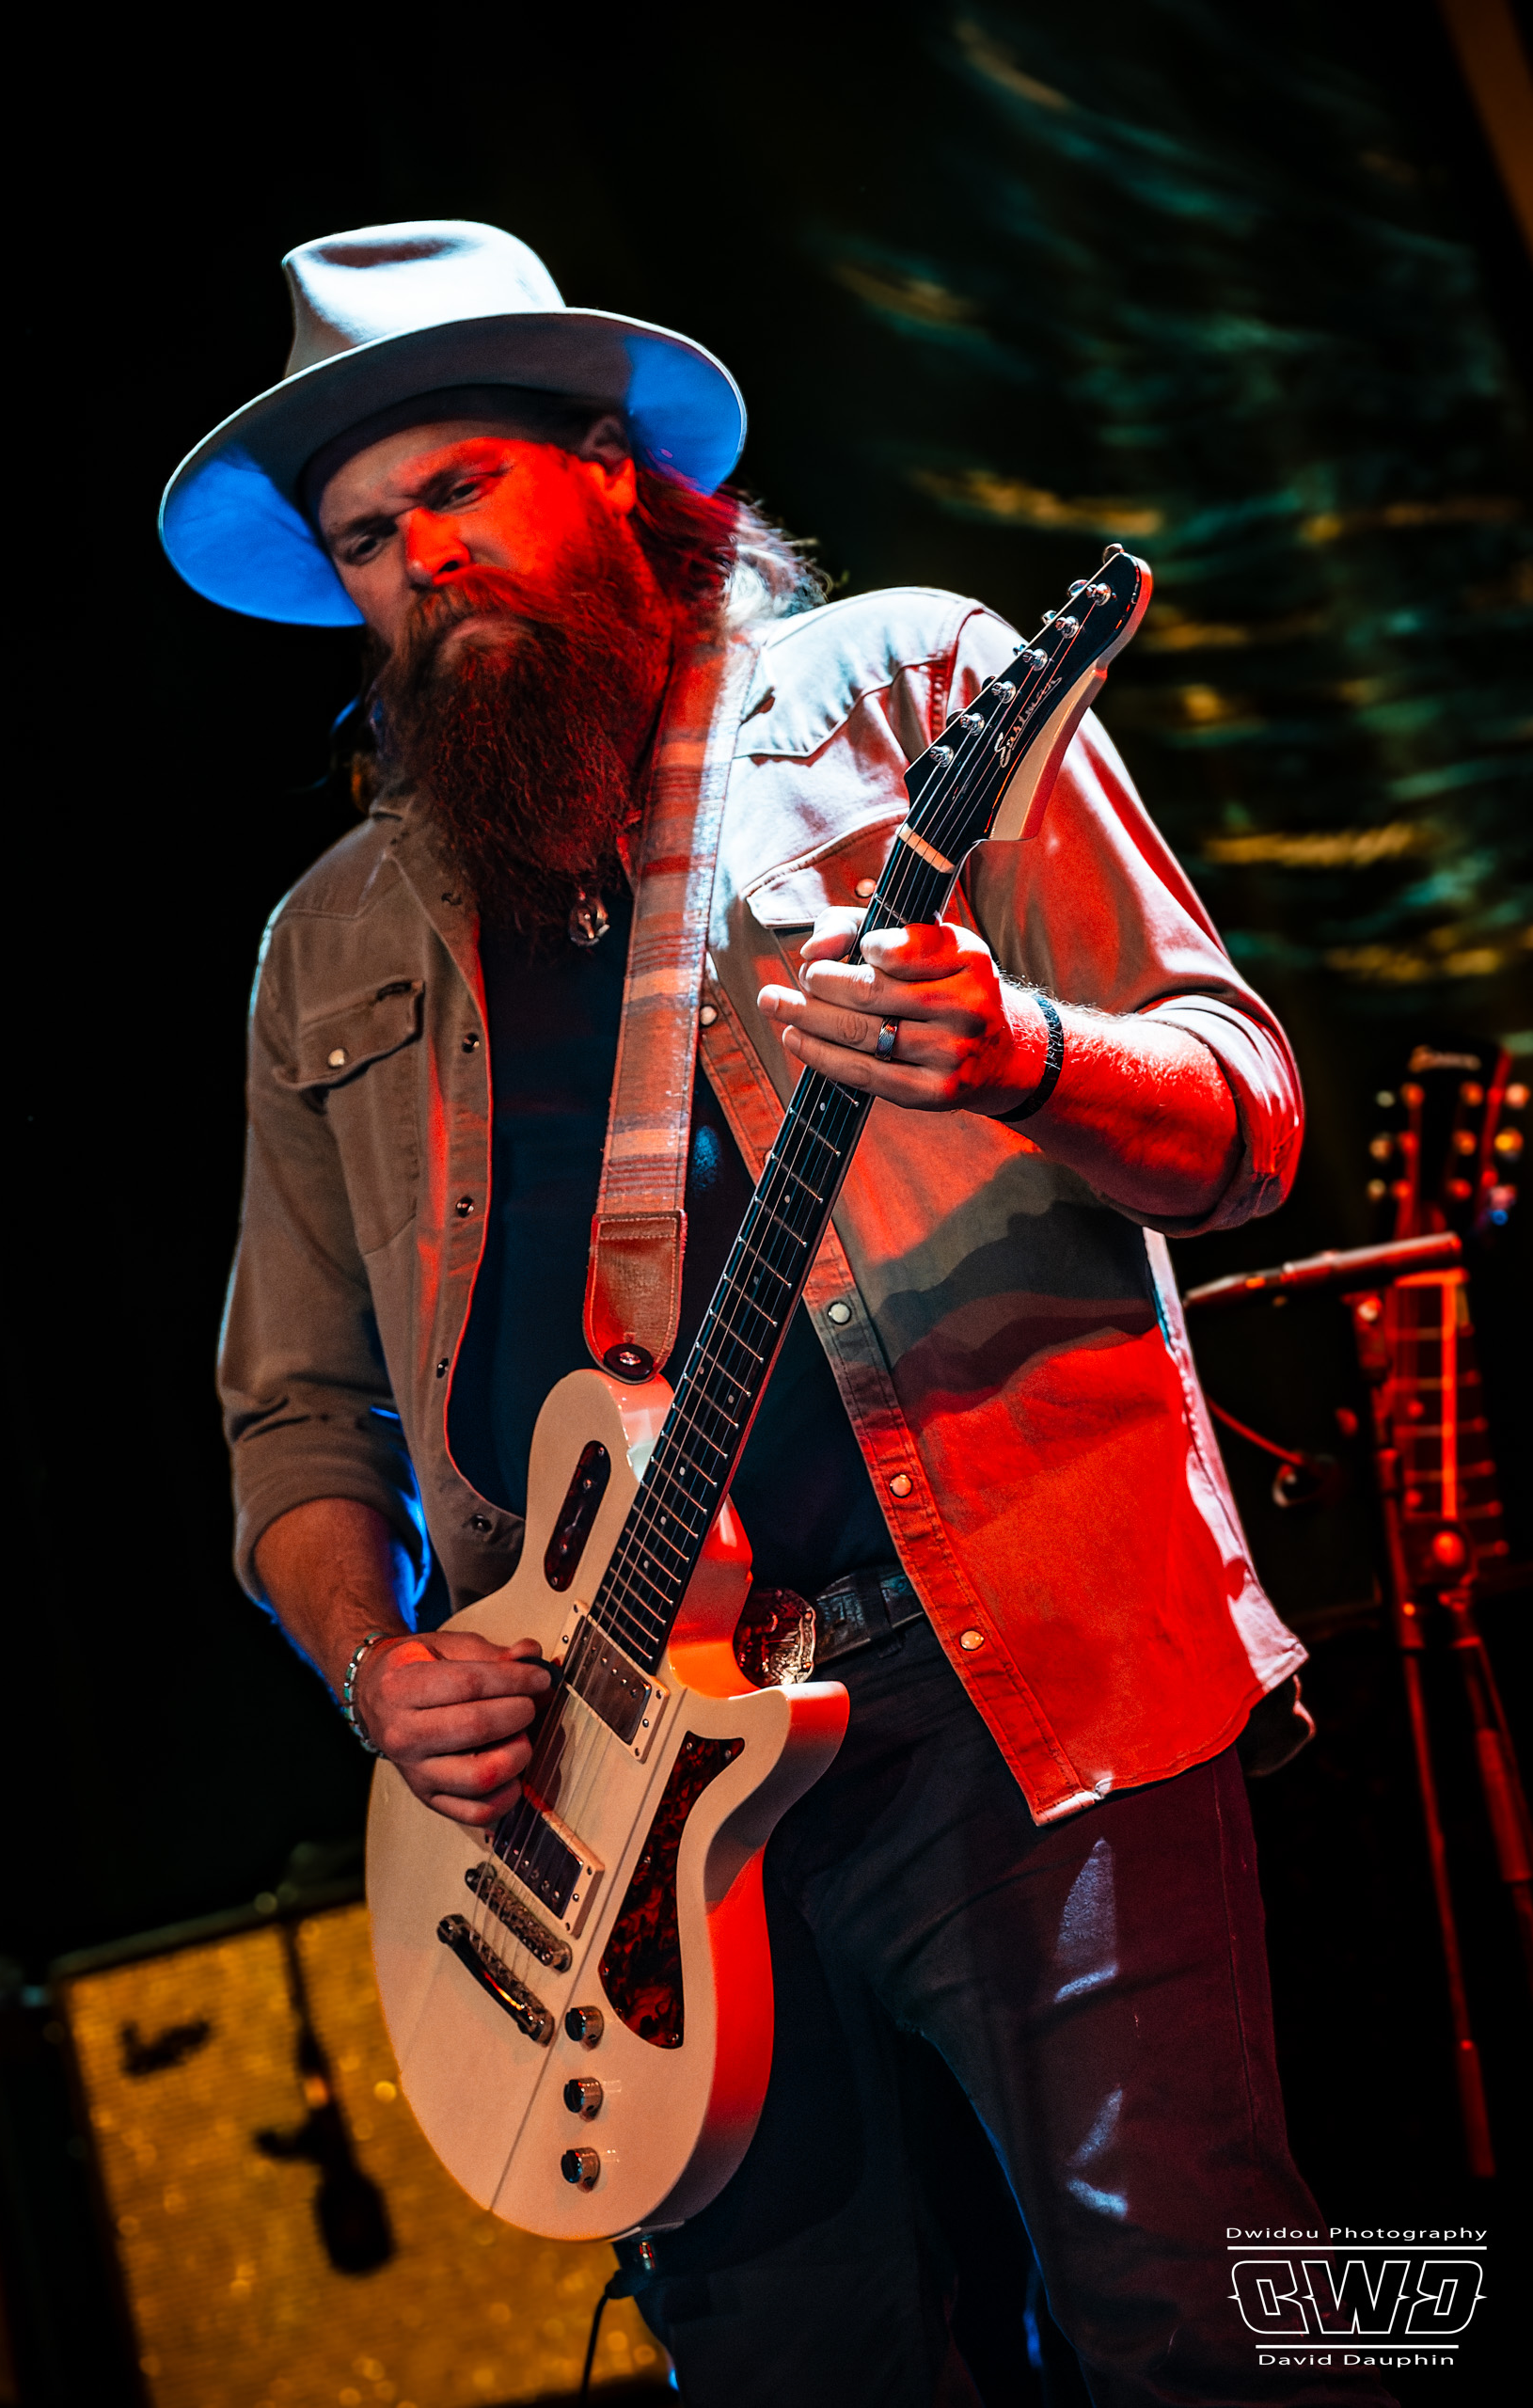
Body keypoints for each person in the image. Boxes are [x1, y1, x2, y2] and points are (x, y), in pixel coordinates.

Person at [166, 222, 1391, 2406]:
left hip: (1004, 1675)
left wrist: (1015, 1048)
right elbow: (292, 1422)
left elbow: (1244, 1112)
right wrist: (373, 1666)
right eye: (367, 537)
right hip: (600, 1784)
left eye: (461, 488)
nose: (422, 559)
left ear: (607, 470)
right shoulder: (324, 943)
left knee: (1205, 2319)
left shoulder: (905, 691)